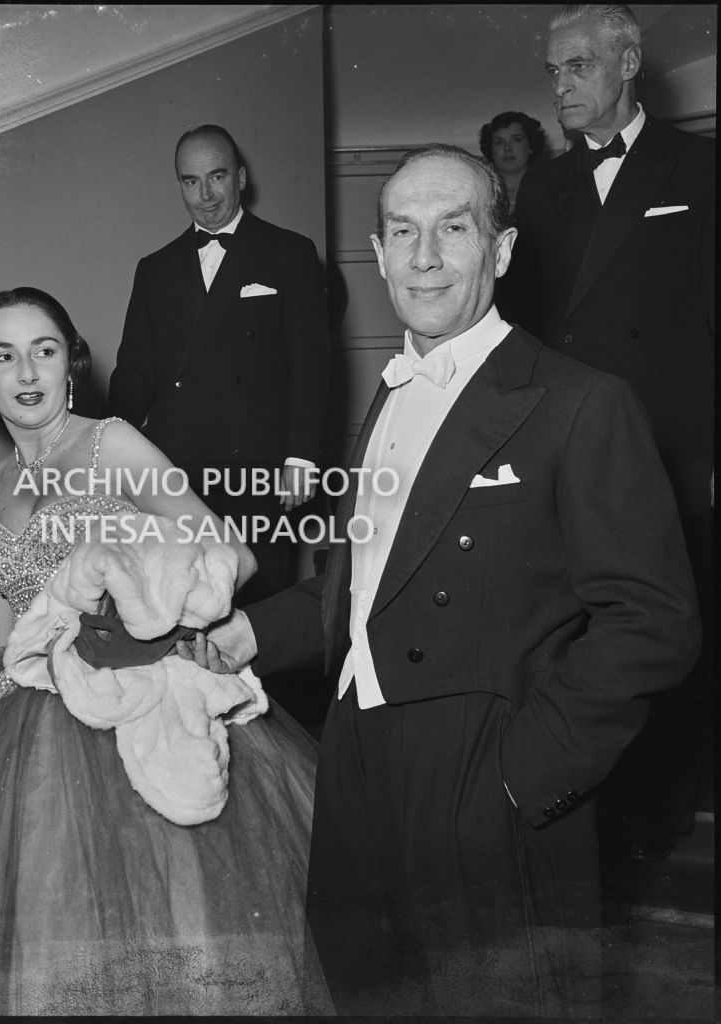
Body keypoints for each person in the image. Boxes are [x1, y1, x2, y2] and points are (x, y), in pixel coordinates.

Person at [180, 145, 701, 1017]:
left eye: (454, 229)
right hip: (356, 761)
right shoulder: (389, 398)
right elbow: (362, 585)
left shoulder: (580, 402)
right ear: (378, 254)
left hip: (482, 776)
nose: (424, 257)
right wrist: (246, 635)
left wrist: (525, 774)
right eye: (403, 232)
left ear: (502, 249)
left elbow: (654, 621)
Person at [0, 287, 332, 1016]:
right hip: (17, 728)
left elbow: (233, 556)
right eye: (3, 356)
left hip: (127, 709)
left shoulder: (108, 444)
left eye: (44, 351)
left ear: (70, 365)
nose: (26, 372)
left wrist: (135, 613)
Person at [501, 3, 715, 863]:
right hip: (569, 445)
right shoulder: (540, 187)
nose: (560, 86)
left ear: (628, 64)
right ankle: (594, 820)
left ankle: (667, 815)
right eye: (553, 71)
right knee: (575, 632)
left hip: (673, 448)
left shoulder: (699, 168)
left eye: (578, 66)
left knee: (665, 631)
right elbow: (522, 329)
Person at [108, 124, 332, 603]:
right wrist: (108, 458)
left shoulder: (290, 253)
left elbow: (310, 365)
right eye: (191, 181)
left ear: (241, 178)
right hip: (175, 473)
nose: (205, 196)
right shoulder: (155, 268)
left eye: (217, 177)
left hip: (257, 466)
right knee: (181, 605)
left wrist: (301, 457)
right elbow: (133, 374)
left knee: (259, 605)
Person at [479, 109, 546, 214]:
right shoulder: (479, 194)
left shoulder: (549, 192)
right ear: (491, 150)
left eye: (516, 140)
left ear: (530, 146)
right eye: (499, 142)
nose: (507, 148)